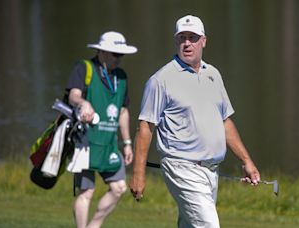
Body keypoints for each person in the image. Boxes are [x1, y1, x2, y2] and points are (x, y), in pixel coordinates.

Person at [129, 15, 261, 227]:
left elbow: (225, 121)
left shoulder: (213, 75)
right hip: (181, 166)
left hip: (211, 171)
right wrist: (138, 173)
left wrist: (246, 161)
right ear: (176, 41)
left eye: (193, 37)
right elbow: (145, 127)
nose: (187, 43)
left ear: (204, 41)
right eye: (182, 38)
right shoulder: (160, 80)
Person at [66, 31, 136, 228]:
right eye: (115, 54)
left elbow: (123, 112)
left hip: (109, 143)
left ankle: (94, 225)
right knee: (86, 192)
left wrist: (128, 143)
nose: (119, 59)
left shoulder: (121, 77)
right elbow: (73, 96)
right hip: (85, 141)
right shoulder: (84, 68)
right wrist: (83, 103)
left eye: (121, 55)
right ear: (102, 52)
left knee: (119, 188)